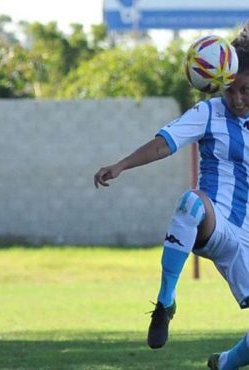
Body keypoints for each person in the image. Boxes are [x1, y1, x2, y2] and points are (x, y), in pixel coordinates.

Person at [94, 22, 249, 370]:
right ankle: (166, 301)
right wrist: (121, 165)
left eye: (247, 91)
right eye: (230, 91)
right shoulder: (209, 113)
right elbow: (166, 143)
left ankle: (223, 363)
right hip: (216, 223)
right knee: (191, 202)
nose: (237, 99)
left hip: (248, 238)